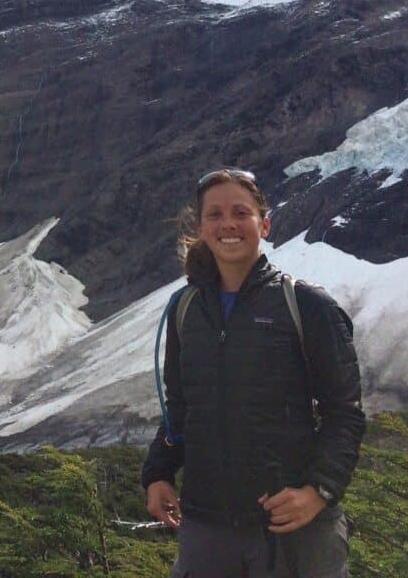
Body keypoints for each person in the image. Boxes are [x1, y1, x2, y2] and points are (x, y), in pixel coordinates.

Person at [142, 168, 365, 578]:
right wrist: (158, 472)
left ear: (264, 224)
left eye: (240, 212)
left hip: (292, 529)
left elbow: (344, 412)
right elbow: (182, 407)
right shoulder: (185, 311)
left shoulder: (306, 306)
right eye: (215, 214)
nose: (228, 224)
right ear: (202, 226)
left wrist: (319, 491)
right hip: (207, 527)